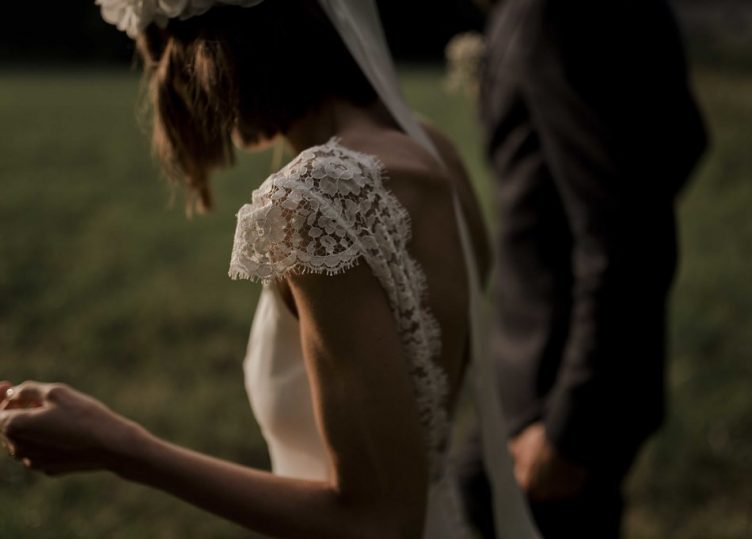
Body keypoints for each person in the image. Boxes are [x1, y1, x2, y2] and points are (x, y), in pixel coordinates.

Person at [0, 1, 513, 537]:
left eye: (162, 52)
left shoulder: (316, 197)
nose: (168, 82)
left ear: (211, 45)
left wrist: (118, 445)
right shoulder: (433, 150)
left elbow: (381, 520)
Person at [457, 0, 708, 537]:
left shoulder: (555, 17)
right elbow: (687, 138)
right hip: (543, 363)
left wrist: (572, 422)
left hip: (560, 382)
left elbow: (620, 232)